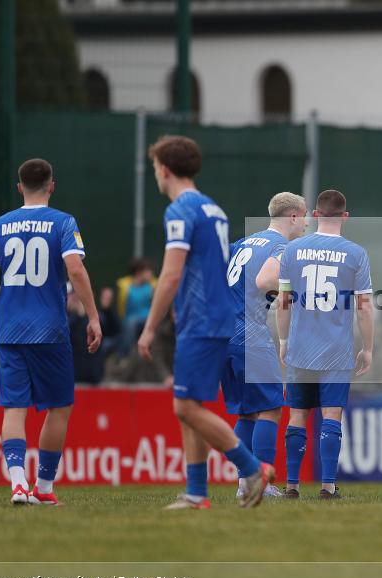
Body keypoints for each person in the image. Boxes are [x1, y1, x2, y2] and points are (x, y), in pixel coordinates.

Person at [137, 134, 273, 510]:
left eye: (154, 169)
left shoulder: (180, 210)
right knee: (190, 403)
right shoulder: (215, 209)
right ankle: (197, 492)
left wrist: (149, 327)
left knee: (184, 408)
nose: (155, 176)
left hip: (201, 321)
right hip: (219, 316)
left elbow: (171, 274)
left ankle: (252, 469)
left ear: (164, 170)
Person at [0, 158, 102, 505]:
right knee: (59, 407)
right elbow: (75, 269)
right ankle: (43, 489)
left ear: (19, 187)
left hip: (10, 330)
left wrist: (8, 300)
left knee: (13, 409)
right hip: (50, 329)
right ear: (51, 185)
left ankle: (18, 485)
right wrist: (93, 316)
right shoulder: (63, 222)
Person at [277, 189, 373, 499]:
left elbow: (283, 302)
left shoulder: (292, 250)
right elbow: (364, 306)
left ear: (315, 215)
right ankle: (328, 487)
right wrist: (368, 347)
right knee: (331, 415)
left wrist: (283, 340)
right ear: (345, 216)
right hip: (336, 349)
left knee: (297, 414)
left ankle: (291, 485)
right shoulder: (356, 254)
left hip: (301, 348)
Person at [223, 192, 307, 500]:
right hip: (250, 333)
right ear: (293, 217)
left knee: (247, 413)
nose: (307, 223)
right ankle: (260, 481)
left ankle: (245, 484)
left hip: (223, 333)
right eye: (305, 216)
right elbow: (265, 280)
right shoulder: (282, 248)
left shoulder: (242, 243)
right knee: (270, 408)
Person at [68, 285, 120, 384]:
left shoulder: (98, 317)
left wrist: (107, 309)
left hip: (94, 375)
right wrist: (78, 315)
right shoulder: (66, 318)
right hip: (73, 375)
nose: (78, 299)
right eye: (75, 296)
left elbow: (114, 331)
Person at [115, 258, 156, 357]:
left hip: (149, 320)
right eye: (148, 271)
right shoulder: (125, 287)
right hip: (129, 320)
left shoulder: (153, 286)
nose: (151, 273)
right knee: (130, 324)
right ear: (139, 272)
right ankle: (124, 357)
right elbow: (121, 308)